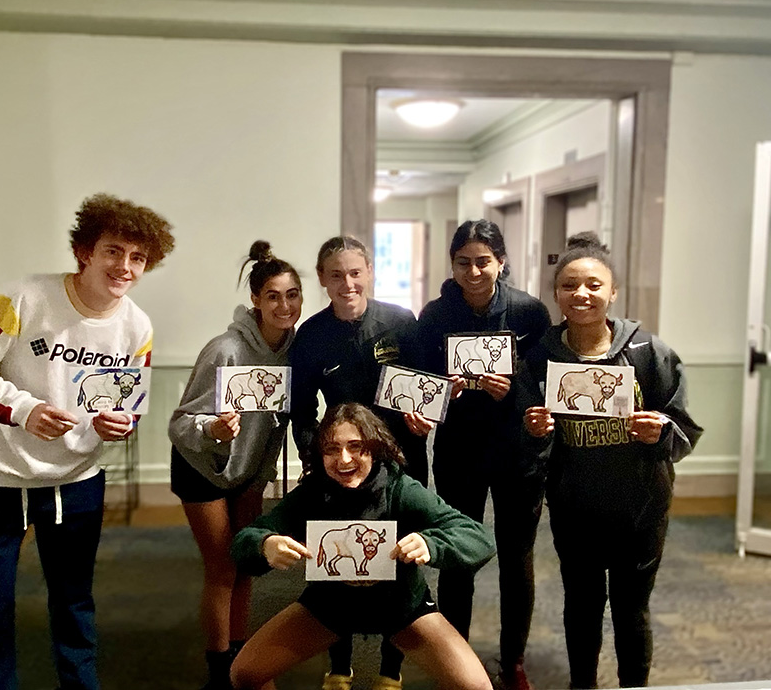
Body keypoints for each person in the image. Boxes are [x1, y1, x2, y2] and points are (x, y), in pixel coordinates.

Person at [0, 193, 175, 690]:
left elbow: (128, 402)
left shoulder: (137, 325)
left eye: (138, 258)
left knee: (74, 601)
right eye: (114, 251)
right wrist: (24, 411)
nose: (125, 267)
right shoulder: (24, 297)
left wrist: (115, 424)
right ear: (85, 252)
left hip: (75, 484)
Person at [516, 232, 703, 689]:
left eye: (594, 285)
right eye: (569, 285)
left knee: (631, 608)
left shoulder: (647, 353)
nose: (581, 294)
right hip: (574, 505)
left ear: (613, 292)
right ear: (556, 293)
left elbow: (682, 427)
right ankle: (583, 684)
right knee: (581, 603)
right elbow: (526, 440)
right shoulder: (541, 357)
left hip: (640, 506)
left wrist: (658, 430)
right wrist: (535, 431)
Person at [229, 403, 496, 690]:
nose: (344, 459)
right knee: (244, 673)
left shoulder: (401, 489)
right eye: (331, 449)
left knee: (476, 687)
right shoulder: (312, 493)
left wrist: (430, 544)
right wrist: (264, 545)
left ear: (374, 448)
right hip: (329, 606)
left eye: (356, 446)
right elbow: (245, 541)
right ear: (320, 454)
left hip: (401, 608)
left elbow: (479, 538)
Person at [412, 219, 551, 690]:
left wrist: (509, 393)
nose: (473, 272)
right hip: (459, 450)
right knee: (458, 555)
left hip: (517, 450)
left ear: (501, 262)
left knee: (517, 556)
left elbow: (542, 389)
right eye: (463, 262)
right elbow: (421, 381)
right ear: (452, 264)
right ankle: (457, 656)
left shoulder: (530, 314)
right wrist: (439, 394)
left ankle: (512, 660)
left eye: (484, 262)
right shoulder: (435, 315)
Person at [289, 235, 431, 690]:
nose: (347, 283)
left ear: (369, 272)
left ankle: (392, 666)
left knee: (403, 556)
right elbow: (299, 408)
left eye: (354, 272)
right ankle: (340, 663)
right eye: (336, 275)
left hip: (402, 457)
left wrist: (424, 417)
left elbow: (426, 386)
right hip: (342, 462)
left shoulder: (401, 322)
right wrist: (318, 454)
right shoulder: (311, 335)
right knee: (339, 555)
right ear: (322, 280)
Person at [167, 241, 303, 690]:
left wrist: (258, 477)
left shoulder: (293, 350)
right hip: (201, 468)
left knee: (246, 563)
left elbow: (276, 423)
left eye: (292, 295)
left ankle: (241, 661)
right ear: (255, 301)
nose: (284, 305)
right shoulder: (224, 350)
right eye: (273, 296)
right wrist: (213, 431)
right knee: (222, 569)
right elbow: (179, 424)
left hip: (247, 472)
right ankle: (217, 672)